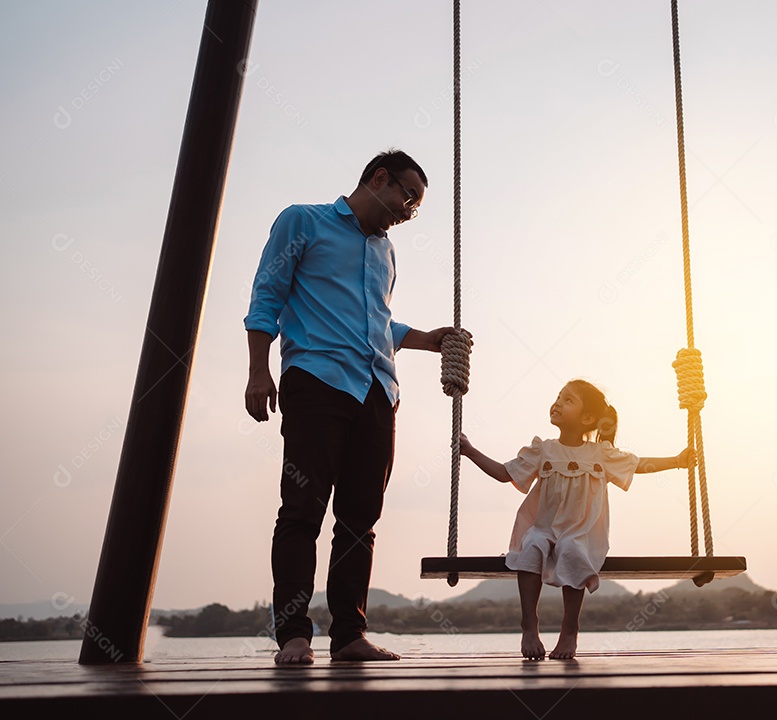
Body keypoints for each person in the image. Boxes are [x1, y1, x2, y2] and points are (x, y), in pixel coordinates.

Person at [244, 149, 459, 664]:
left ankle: (349, 636)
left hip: (378, 393)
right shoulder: (304, 220)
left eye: (416, 206)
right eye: (406, 196)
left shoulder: (385, 252)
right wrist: (258, 370)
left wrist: (428, 339)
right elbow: (267, 294)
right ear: (378, 178)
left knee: (360, 519)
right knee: (302, 510)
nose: (408, 211)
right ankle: (294, 633)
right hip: (315, 382)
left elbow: (376, 321)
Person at [460, 379, 692, 660]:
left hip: (582, 532)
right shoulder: (542, 450)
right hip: (543, 528)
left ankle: (569, 629)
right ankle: (529, 625)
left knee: (572, 549)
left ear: (588, 418)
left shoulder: (600, 454)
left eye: (568, 399)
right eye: (559, 396)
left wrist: (677, 461)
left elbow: (639, 464)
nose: (558, 402)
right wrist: (470, 451)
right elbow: (504, 473)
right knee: (531, 543)